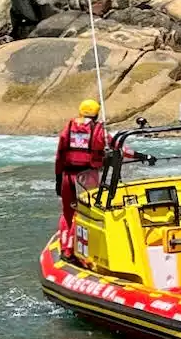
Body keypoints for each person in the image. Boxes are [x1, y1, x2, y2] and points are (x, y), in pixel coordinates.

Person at [54, 99, 151, 260]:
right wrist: (142, 156)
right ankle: (76, 249)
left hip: (67, 176)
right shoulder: (100, 131)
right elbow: (120, 149)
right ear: (96, 114)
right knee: (84, 212)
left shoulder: (68, 128)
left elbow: (59, 155)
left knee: (67, 212)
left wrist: (58, 178)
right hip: (87, 176)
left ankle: (65, 248)